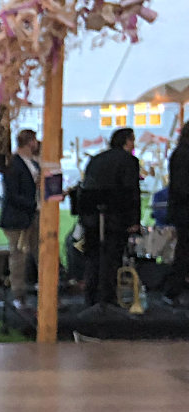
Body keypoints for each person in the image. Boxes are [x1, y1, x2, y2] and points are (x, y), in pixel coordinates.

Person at [79, 127, 141, 306]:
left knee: (93, 257)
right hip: (116, 218)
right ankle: (108, 296)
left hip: (92, 217)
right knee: (112, 257)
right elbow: (131, 192)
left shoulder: (96, 159)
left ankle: (91, 296)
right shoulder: (129, 161)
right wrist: (134, 220)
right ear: (127, 141)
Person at [0, 129, 41, 307]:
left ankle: (46, 290)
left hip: (34, 215)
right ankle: (18, 294)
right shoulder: (12, 164)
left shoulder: (34, 163)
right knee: (18, 256)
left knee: (41, 252)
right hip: (17, 218)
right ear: (30, 142)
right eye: (35, 140)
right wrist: (32, 204)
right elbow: (12, 194)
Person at [163, 125, 189, 306]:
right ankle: (173, 290)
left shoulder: (180, 153)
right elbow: (182, 187)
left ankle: (174, 290)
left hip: (182, 210)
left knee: (183, 251)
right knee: (184, 251)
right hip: (185, 211)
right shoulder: (183, 155)